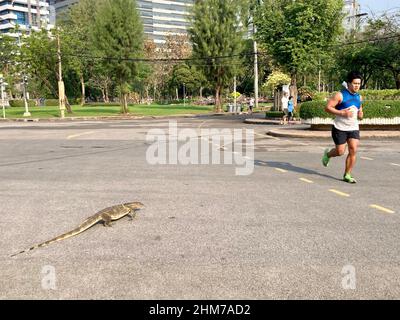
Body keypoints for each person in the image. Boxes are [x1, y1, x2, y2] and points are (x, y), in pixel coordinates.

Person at [321, 71, 364, 183]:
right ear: (349, 83)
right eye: (355, 83)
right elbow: (327, 108)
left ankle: (347, 174)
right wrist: (342, 113)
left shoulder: (359, 97)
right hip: (339, 128)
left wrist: (360, 114)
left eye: (359, 84)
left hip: (353, 127)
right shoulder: (339, 95)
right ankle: (328, 154)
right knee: (340, 152)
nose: (357, 86)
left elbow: (360, 110)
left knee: (353, 150)